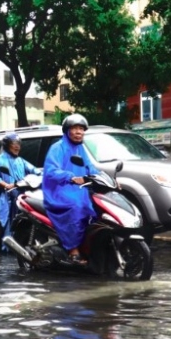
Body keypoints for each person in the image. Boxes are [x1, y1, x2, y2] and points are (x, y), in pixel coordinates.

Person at [43, 113, 97, 265]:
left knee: (97, 207)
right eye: (75, 128)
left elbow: (90, 168)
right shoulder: (57, 148)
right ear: (67, 131)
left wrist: (107, 178)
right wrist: (70, 177)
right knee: (77, 207)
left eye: (81, 128)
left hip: (79, 189)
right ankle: (73, 249)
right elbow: (51, 170)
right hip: (59, 191)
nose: (79, 132)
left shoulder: (81, 149)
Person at [0, 133, 38, 251]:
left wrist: (41, 175)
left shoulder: (21, 161)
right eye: (14, 144)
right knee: (3, 214)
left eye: (18, 144)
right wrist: (6, 185)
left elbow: (34, 170)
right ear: (7, 146)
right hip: (4, 194)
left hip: (19, 193)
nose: (17, 146)